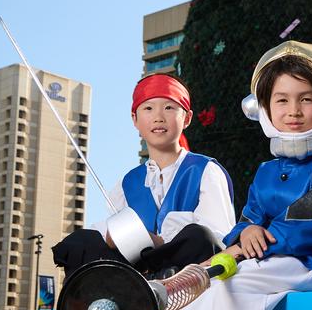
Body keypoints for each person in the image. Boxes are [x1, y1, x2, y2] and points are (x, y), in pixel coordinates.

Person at [154, 41, 312, 310]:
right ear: (263, 108)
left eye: (307, 99)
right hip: (267, 262)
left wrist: (247, 248)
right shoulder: (266, 170)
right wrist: (246, 231)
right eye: (282, 100)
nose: (294, 111)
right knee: (194, 297)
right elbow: (251, 217)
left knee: (230, 288)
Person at [52, 73, 235, 280]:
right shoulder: (127, 183)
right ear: (135, 119)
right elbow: (111, 235)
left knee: (199, 236)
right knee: (82, 241)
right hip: (136, 271)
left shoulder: (205, 170)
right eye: (148, 108)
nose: (158, 117)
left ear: (187, 118)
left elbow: (218, 237)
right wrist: (113, 236)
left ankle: (167, 279)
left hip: (189, 274)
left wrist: (158, 242)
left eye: (169, 107)